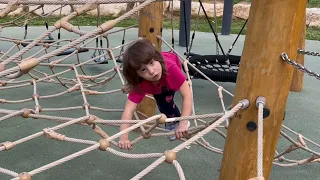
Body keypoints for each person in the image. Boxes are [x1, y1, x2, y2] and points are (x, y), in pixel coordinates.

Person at [118, 38, 192, 150]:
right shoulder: (140, 83)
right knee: (161, 101)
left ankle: (174, 120)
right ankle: (132, 83)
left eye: (152, 63)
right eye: (143, 70)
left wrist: (183, 123)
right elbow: (129, 109)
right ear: (137, 74)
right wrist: (123, 137)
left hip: (168, 70)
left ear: (156, 58)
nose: (152, 71)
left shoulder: (171, 69)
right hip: (151, 82)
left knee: (166, 100)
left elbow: (187, 95)